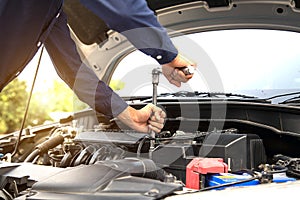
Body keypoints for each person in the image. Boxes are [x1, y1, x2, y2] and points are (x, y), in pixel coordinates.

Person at [0, 0, 195, 134]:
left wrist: (130, 115)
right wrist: (169, 56)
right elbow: (124, 10)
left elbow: (73, 70)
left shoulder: (50, 10)